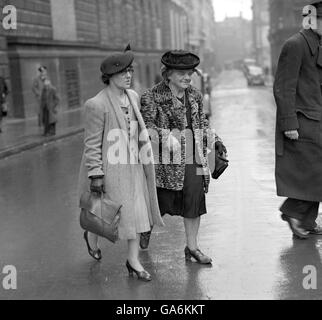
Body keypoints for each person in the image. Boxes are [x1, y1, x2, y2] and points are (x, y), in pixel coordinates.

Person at [77, 46, 164, 281]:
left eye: (131, 71)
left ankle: (133, 261)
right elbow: (92, 144)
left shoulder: (133, 96)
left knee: (135, 213)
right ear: (110, 76)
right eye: (124, 72)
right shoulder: (96, 104)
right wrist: (96, 174)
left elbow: (137, 130)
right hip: (110, 169)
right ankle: (91, 238)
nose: (129, 76)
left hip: (134, 166)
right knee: (104, 215)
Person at [140, 50, 225, 264]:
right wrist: (164, 136)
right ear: (168, 74)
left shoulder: (194, 95)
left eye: (190, 73)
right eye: (182, 73)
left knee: (194, 202)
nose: (188, 77)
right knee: (158, 202)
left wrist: (216, 141)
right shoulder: (152, 97)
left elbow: (203, 124)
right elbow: (146, 127)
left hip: (193, 159)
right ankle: (145, 228)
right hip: (165, 164)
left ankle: (192, 248)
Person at [273, 0, 322, 239]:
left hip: (316, 120)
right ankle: (293, 213)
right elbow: (283, 87)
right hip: (302, 123)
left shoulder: (317, 43)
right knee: (309, 173)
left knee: (313, 174)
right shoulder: (295, 44)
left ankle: (306, 221)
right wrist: (289, 123)